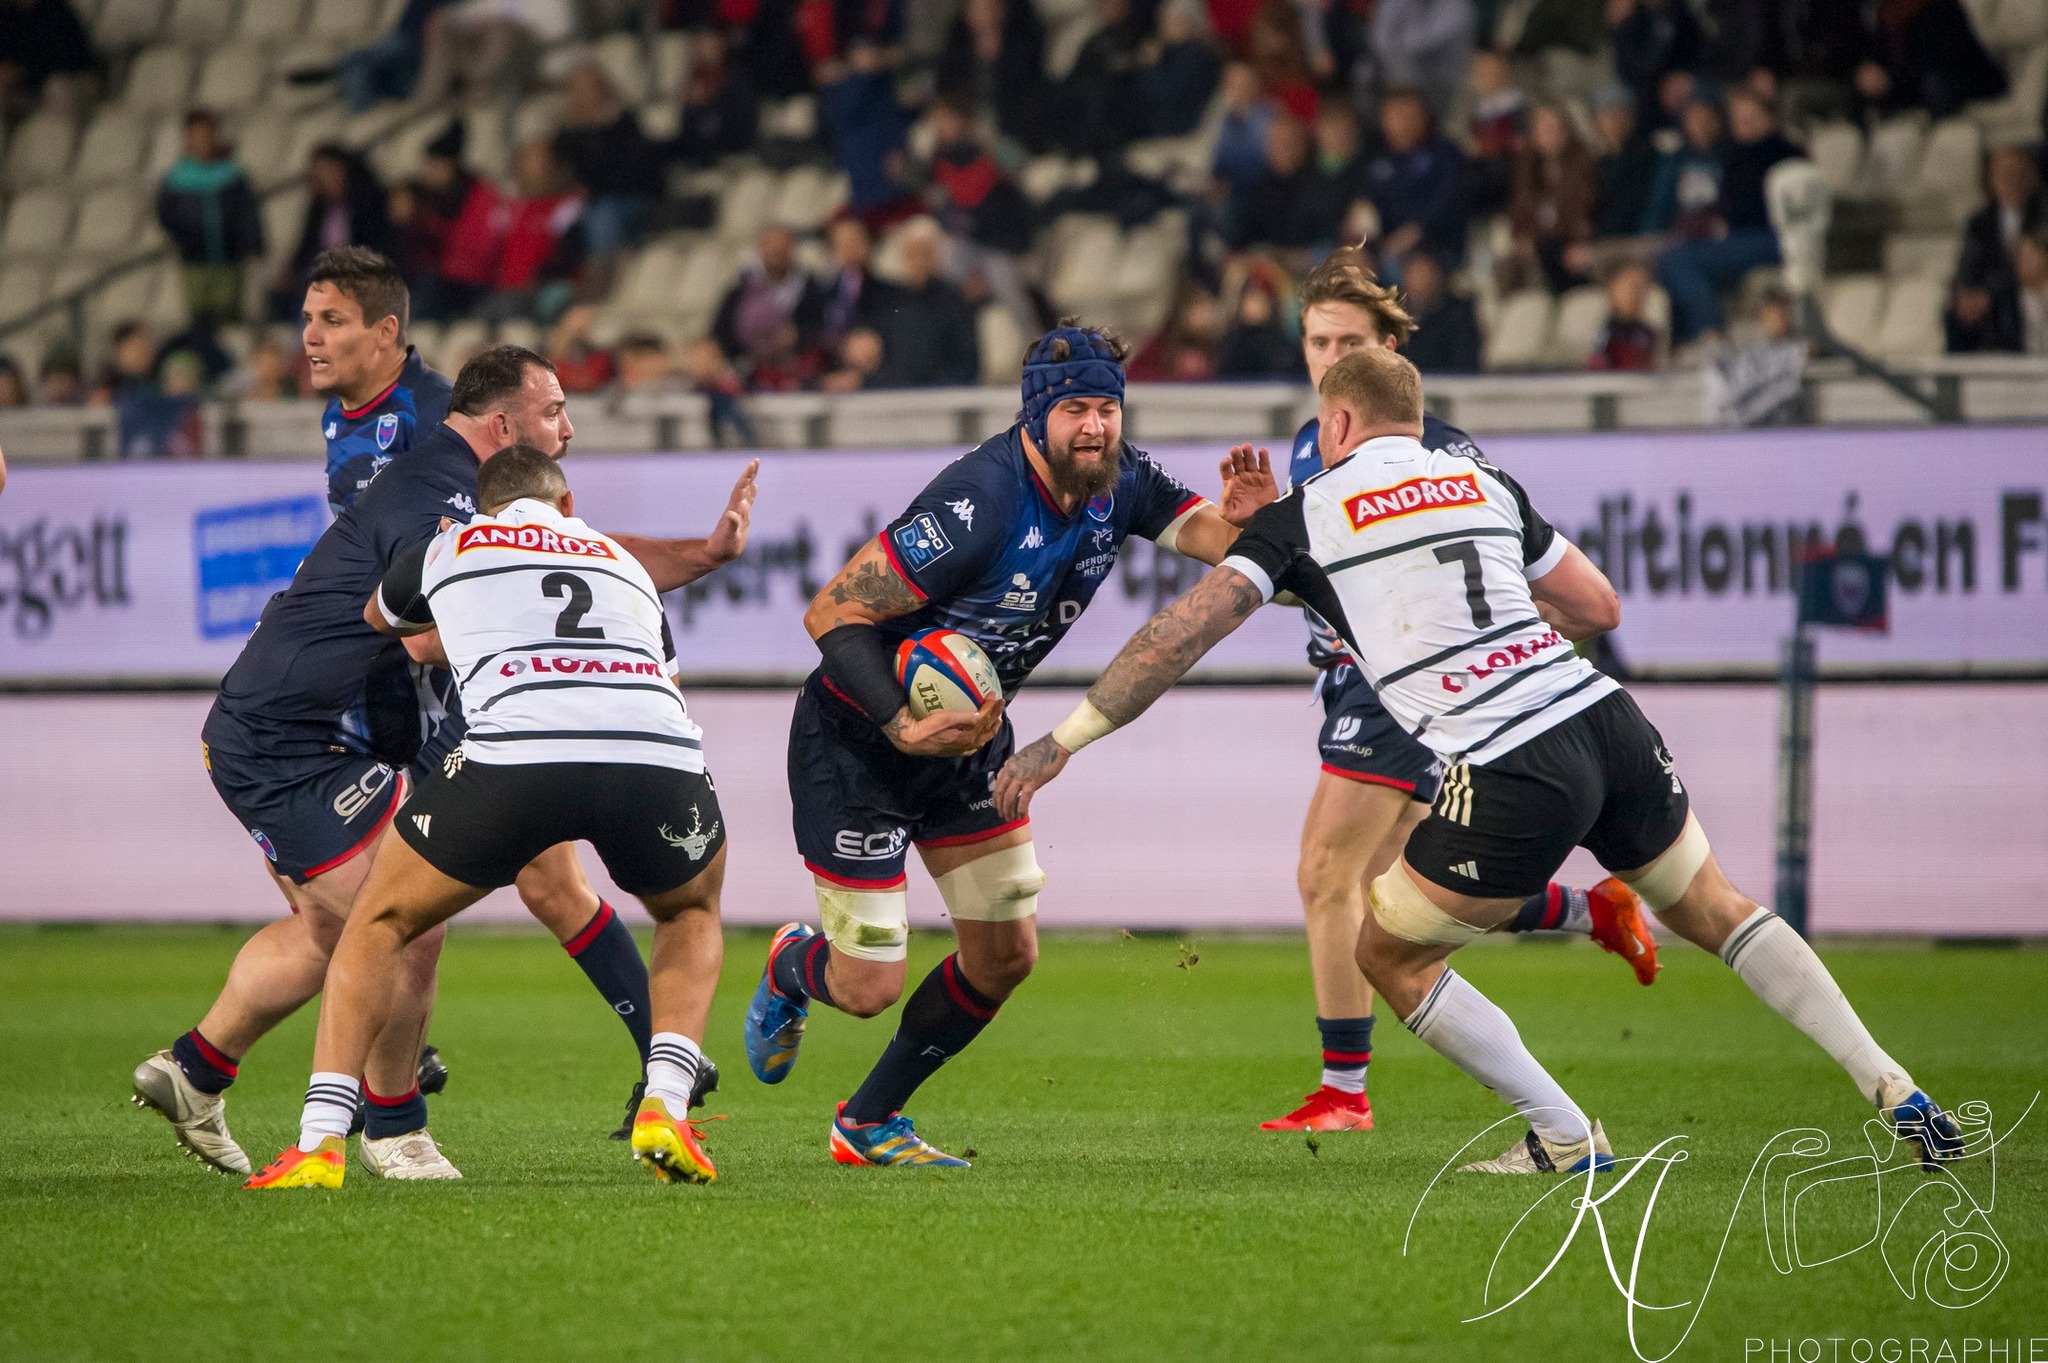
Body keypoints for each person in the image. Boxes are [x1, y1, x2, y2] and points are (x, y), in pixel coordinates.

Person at [996, 346, 1966, 1175]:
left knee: (1386, 949)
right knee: (1715, 907)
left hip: (1505, 754)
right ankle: (1893, 1085)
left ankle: (1562, 1132)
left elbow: (1182, 632)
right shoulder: (1483, 484)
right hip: (1603, 716)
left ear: (1336, 421)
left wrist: (1061, 739)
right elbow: (1595, 607)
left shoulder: (1312, 511)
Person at [131, 346, 756, 1179]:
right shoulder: (455, 499)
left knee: (365, 926)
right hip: (290, 734)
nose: (569, 427)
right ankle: (398, 1123)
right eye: (554, 411)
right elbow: (430, 633)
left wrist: (701, 554)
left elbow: (403, 613)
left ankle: (210, 1075)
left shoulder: (460, 529)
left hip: (407, 733)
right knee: (396, 927)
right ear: (505, 430)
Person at [740, 321, 1276, 1167]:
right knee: (869, 986)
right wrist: (900, 722)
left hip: (971, 744)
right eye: (1075, 411)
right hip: (859, 742)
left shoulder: (1119, 482)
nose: (1095, 426)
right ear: (1036, 416)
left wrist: (1256, 528)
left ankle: (867, 1122)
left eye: (1107, 407)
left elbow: (1235, 556)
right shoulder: (980, 501)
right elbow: (831, 613)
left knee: (1004, 954)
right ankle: (790, 966)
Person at [1220, 250, 1651, 1132]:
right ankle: (1587, 906)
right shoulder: (1314, 443)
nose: (1327, 355)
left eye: (1347, 341)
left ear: (1389, 352)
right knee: (1400, 886)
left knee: (1324, 874)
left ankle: (1344, 1091)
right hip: (1359, 679)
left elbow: (1485, 583)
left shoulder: (1436, 450)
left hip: (1401, 692)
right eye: (1315, 339)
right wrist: (1264, 526)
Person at [244, 447, 742, 1191]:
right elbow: (661, 676)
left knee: (378, 921)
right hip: (655, 754)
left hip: (513, 754)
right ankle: (666, 1103)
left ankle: (320, 1141)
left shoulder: (450, 544)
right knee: (690, 909)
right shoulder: (622, 561)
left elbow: (386, 618)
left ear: (485, 507)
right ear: (567, 505)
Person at [1652, 90, 1799, 344]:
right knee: (1669, 260)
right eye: (1738, 117)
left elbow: (1770, 208)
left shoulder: (1784, 152)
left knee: (1677, 258)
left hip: (1771, 237)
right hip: (1735, 238)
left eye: (1751, 116)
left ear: (1769, 117)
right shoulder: (1733, 154)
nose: (1743, 122)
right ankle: (1686, 337)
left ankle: (1710, 331)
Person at [156, 110, 264, 329]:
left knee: (232, 318)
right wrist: (184, 238)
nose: (200, 141)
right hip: (195, 261)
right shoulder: (176, 179)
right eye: (194, 135)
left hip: (231, 258)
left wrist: (253, 245)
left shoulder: (232, 175)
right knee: (200, 319)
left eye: (205, 135)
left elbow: (247, 214)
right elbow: (165, 216)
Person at [270, 145, 393, 323]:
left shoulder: (369, 205)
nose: (324, 177)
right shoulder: (319, 210)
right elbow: (306, 247)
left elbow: (375, 246)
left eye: (328, 170)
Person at [1946, 146, 2048, 354]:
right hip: (1993, 296)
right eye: (2003, 173)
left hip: (2023, 290)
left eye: (2016, 173)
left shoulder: (2043, 213)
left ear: (2031, 176)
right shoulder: (1980, 222)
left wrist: (1990, 294)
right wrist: (1966, 294)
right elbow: (1968, 267)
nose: (2010, 180)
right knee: (1955, 310)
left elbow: (2033, 265)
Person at [868, 219, 981, 388]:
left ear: (936, 255)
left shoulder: (953, 299)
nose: (919, 260)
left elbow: (967, 360)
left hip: (942, 393)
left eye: (925, 252)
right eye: (913, 252)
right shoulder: (890, 300)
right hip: (896, 393)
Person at [1397, 250, 1482, 373]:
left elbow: (1464, 363)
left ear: (1437, 276)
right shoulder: (1391, 319)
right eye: (1414, 273)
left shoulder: (1458, 315)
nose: (1420, 281)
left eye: (1425, 273)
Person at [1588, 263, 1659, 370]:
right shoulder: (1601, 332)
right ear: (1612, 289)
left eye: (1643, 287)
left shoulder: (1648, 334)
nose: (1638, 294)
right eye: (1632, 287)